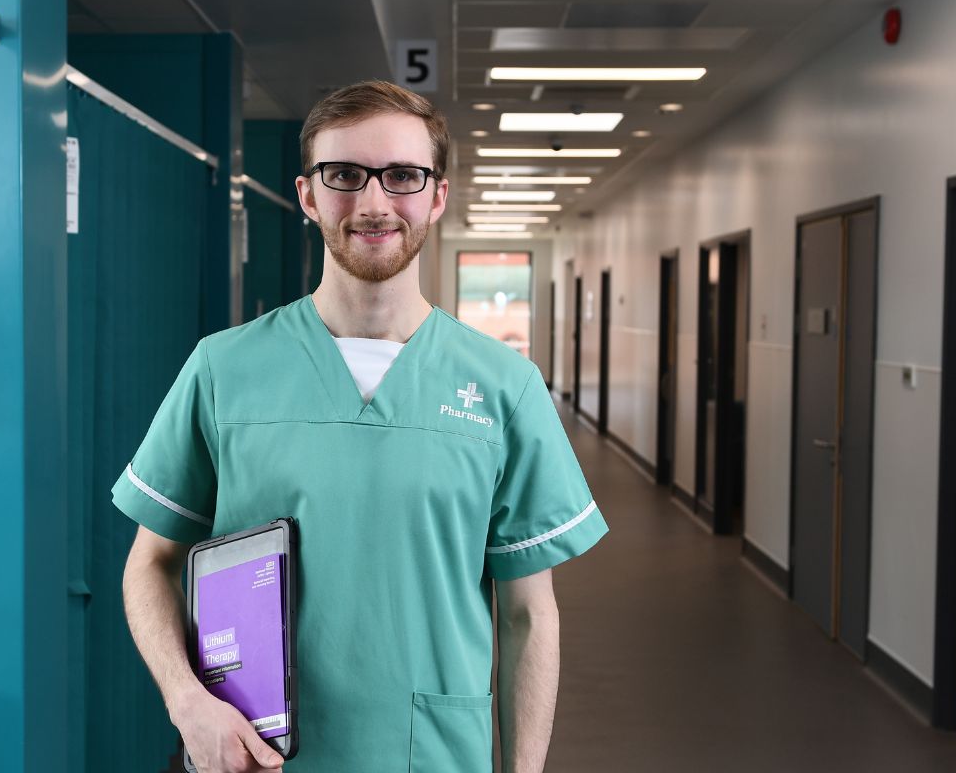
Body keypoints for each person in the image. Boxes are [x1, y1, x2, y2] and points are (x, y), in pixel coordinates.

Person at [114, 80, 608, 773]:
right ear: (308, 195)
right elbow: (151, 563)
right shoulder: (222, 370)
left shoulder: (503, 387)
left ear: (437, 196)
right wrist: (184, 701)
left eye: (402, 176)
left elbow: (529, 614)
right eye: (344, 175)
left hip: (431, 756)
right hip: (254, 758)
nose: (374, 203)